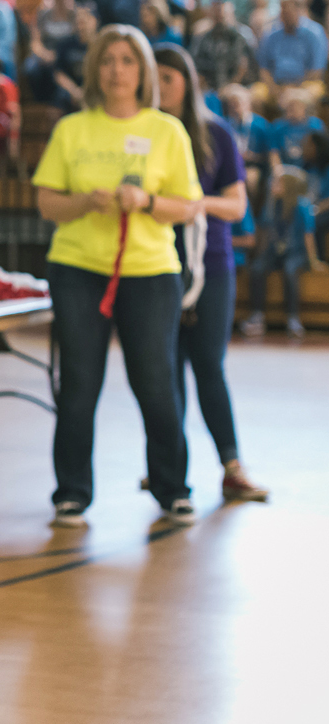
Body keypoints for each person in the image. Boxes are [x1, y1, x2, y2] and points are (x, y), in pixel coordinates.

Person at [33, 24, 204, 529]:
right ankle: (71, 492)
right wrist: (86, 201)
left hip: (149, 274)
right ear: (95, 70)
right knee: (79, 384)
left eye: (128, 60)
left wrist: (147, 202)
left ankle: (172, 488)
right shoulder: (72, 129)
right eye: (108, 60)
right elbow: (47, 202)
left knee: (155, 383)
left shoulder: (167, 130)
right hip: (78, 270)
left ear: (143, 71)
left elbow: (189, 207)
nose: (117, 70)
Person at [154, 45, 271, 503]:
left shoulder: (216, 133)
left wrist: (193, 206)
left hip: (211, 265)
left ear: (187, 80)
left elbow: (237, 205)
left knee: (208, 365)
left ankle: (232, 465)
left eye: (168, 77)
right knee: (163, 371)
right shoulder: (144, 132)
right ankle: (168, 469)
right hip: (157, 265)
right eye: (155, 78)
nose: (161, 86)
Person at [245, 166, 318, 336]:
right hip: (274, 251)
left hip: (296, 252)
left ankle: (293, 318)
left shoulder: (302, 206)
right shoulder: (271, 205)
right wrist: (258, 255)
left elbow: (308, 236)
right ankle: (257, 316)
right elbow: (264, 232)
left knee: (290, 270)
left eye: (278, 183)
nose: (273, 185)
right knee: (256, 268)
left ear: (290, 186)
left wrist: (313, 260)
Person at [26, 1, 99, 110]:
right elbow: (59, 73)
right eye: (80, 20)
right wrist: (74, 91)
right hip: (70, 88)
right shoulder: (67, 44)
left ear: (95, 21)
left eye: (86, 19)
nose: (82, 24)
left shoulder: (101, 45)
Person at [255, 0, 327, 102]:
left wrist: (294, 88)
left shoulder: (314, 33)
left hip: (305, 85)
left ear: (298, 10)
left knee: (313, 91)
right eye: (282, 10)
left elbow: (317, 71)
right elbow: (264, 69)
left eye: (287, 10)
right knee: (256, 95)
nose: (283, 14)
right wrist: (275, 88)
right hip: (276, 85)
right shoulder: (271, 34)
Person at [190, 0, 257, 92]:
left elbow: (242, 68)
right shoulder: (203, 39)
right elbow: (197, 66)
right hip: (209, 89)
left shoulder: (239, 38)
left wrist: (227, 89)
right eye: (216, 15)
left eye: (222, 16)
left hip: (235, 87)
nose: (219, 18)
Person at [268, 87, 323, 169]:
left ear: (304, 107)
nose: (290, 109)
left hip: (310, 169)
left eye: (294, 106)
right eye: (288, 106)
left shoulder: (315, 125)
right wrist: (278, 170)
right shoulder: (278, 126)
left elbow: (321, 152)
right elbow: (274, 152)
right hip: (286, 169)